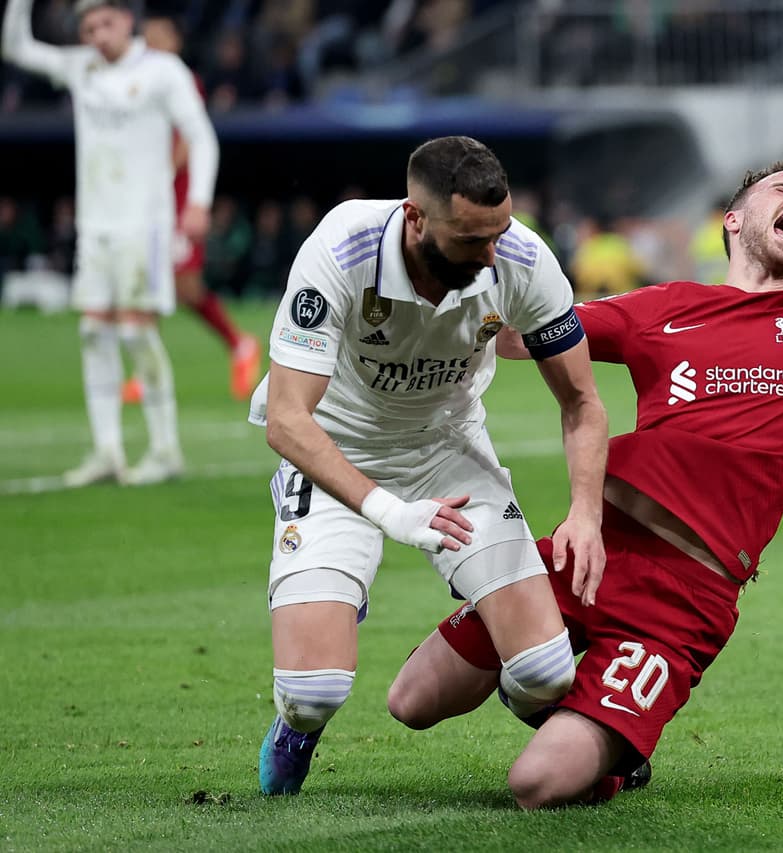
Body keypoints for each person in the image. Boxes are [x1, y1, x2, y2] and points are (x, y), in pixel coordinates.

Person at [384, 68, 783, 810]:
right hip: (592, 548)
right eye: (782, 190)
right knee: (411, 699)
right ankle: (566, 693)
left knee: (535, 783)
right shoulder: (662, 308)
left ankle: (607, 748)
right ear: (733, 221)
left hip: (686, 598)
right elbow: (523, 335)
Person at [247, 135, 608, 796]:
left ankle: (498, 623)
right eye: (472, 240)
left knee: (546, 672)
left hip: (447, 448)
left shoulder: (522, 258)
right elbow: (287, 418)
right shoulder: (341, 248)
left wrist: (586, 512)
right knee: (313, 690)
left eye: (499, 233)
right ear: (417, 219)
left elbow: (582, 400)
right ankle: (295, 730)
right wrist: (389, 512)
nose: (492, 254)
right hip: (336, 449)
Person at [2, 0, 219, 486]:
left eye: (104, 22)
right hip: (96, 224)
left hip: (146, 223)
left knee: (135, 331)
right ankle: (107, 451)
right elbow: (15, 47)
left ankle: (166, 450)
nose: (97, 34)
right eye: (87, 27)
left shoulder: (163, 71)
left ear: (126, 19)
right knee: (92, 331)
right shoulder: (83, 68)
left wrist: (199, 201)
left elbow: (201, 137)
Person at [116, 15, 260, 405]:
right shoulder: (139, 80)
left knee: (185, 286)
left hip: (175, 200)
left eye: (161, 33)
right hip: (147, 200)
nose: (153, 41)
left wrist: (161, 180)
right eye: (148, 35)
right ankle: (147, 374)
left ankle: (239, 344)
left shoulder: (181, 79)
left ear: (177, 40)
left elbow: (187, 138)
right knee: (147, 285)